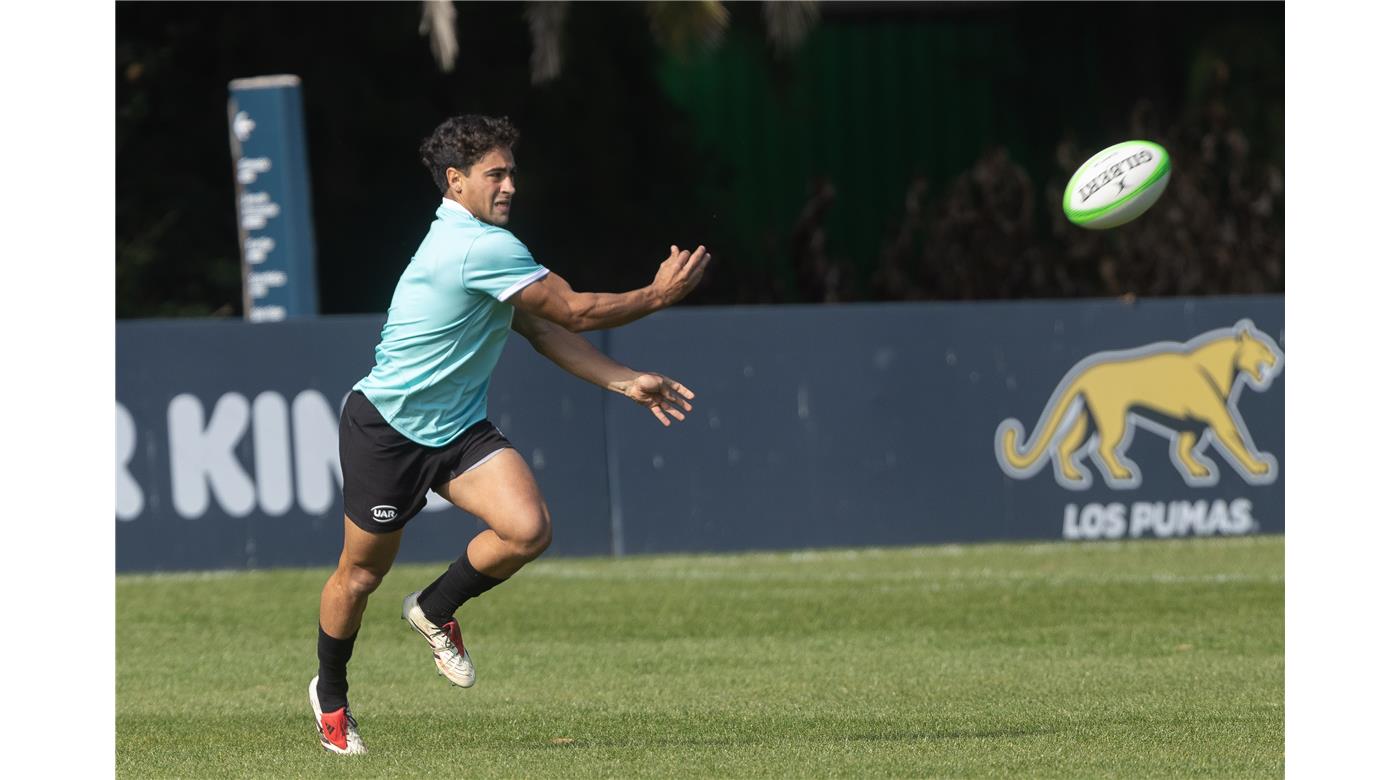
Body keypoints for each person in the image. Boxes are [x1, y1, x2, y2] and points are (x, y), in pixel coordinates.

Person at [308, 114, 710, 755]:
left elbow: (542, 330)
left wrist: (623, 380)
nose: (510, 185)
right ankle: (330, 695)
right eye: (495, 174)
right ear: (456, 180)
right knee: (358, 576)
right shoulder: (475, 245)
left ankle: (434, 609)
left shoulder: (482, 240)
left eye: (511, 172)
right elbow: (573, 310)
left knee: (527, 529)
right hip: (387, 428)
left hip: (458, 428)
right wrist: (657, 296)